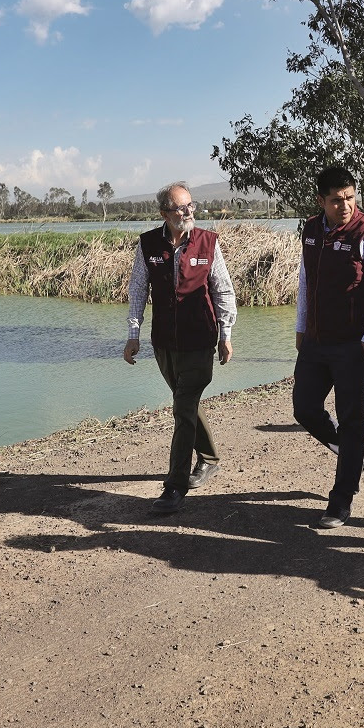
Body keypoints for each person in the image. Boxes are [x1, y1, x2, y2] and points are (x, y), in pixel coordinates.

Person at [293, 165, 364, 529]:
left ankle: (340, 501)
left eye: (351, 197)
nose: (346, 206)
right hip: (316, 341)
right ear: (321, 200)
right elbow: (306, 281)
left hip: (353, 345)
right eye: (337, 200)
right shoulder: (310, 230)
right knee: (304, 408)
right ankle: (356, 456)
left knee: (352, 420)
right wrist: (301, 327)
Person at [123, 182, 237, 514]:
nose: (188, 213)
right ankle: (210, 458)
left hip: (200, 340)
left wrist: (226, 335)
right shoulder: (148, 245)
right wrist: (133, 335)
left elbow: (223, 292)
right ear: (164, 214)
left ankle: (175, 486)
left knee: (182, 408)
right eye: (180, 208)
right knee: (184, 403)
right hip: (164, 343)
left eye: (191, 206)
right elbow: (137, 292)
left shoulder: (208, 242)